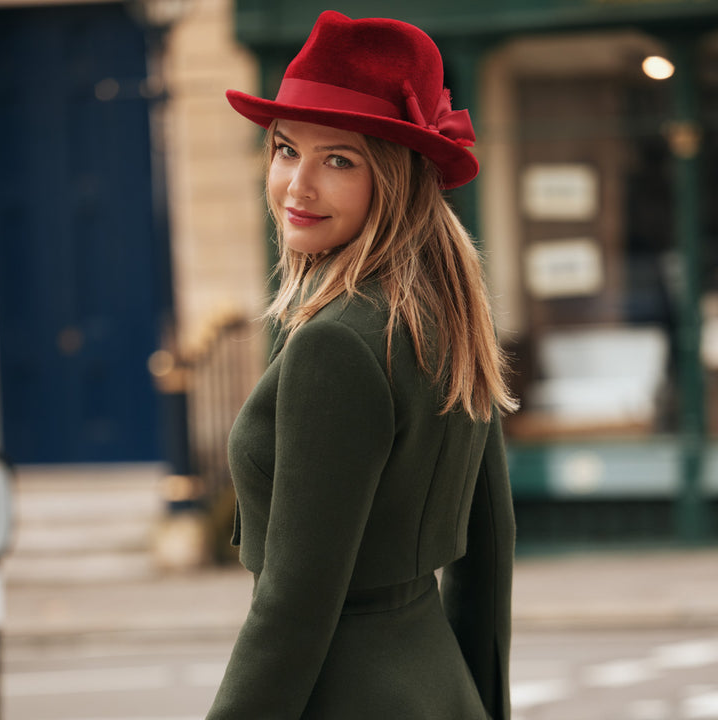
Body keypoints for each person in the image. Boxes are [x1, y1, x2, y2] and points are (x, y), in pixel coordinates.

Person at [206, 10, 516, 720]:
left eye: (338, 160)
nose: (297, 185)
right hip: (440, 689)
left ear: (396, 179)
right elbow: (489, 554)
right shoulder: (448, 313)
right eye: (286, 150)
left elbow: (292, 608)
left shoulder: (337, 343)